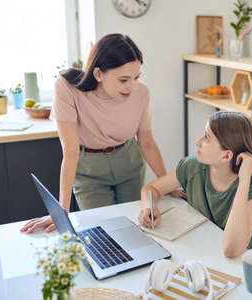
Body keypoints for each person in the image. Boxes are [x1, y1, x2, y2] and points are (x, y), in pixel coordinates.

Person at [21, 33, 184, 234]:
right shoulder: (67, 88)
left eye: (136, 77)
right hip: (89, 170)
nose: (132, 86)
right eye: (124, 79)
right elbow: (70, 151)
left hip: (129, 162)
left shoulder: (142, 93)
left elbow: (147, 141)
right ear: (98, 74)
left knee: (135, 228)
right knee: (101, 232)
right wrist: (61, 210)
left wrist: (166, 184)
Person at [138, 111, 252, 258]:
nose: (198, 142)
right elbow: (151, 189)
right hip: (205, 250)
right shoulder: (193, 166)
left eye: (207, 138)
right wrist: (149, 206)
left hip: (245, 263)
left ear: (226, 155)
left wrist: (244, 179)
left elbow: (231, 250)